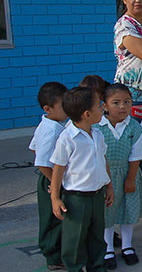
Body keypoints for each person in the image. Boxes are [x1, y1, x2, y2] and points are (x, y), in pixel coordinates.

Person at [50, 87, 114, 272]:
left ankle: (97, 267)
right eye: (98, 106)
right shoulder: (67, 139)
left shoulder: (98, 135)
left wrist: (108, 186)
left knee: (97, 237)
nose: (102, 108)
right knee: (75, 240)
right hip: (77, 199)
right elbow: (58, 170)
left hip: (96, 196)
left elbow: (103, 161)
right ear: (87, 114)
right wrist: (55, 198)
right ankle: (75, 268)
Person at [97, 84, 142, 269]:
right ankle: (108, 247)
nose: (122, 107)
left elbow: (136, 156)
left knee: (128, 210)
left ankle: (127, 246)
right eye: (116, 102)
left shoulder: (134, 127)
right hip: (105, 178)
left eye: (127, 102)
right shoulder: (97, 127)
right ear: (105, 106)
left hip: (128, 175)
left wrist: (130, 179)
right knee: (107, 212)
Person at [29, 82, 68, 271]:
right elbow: (42, 162)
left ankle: (60, 252)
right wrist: (55, 182)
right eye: (63, 106)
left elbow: (33, 147)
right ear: (48, 109)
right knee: (53, 218)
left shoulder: (56, 123)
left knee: (61, 217)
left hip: (56, 178)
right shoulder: (50, 130)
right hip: (51, 180)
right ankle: (53, 256)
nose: (67, 109)